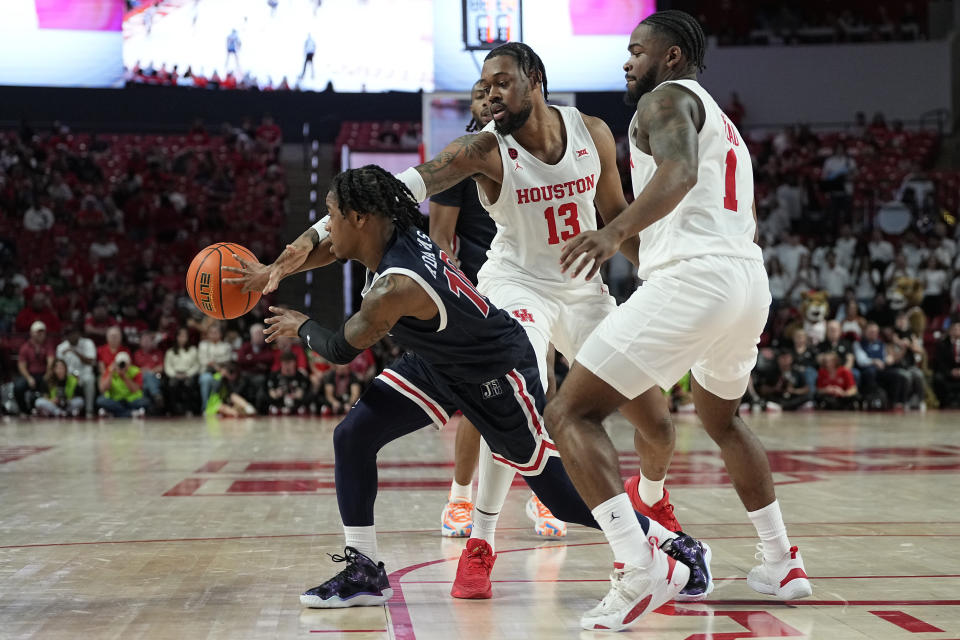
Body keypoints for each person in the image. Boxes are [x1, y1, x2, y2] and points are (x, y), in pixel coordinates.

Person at [224, 167, 710, 619]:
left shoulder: (394, 286)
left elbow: (337, 348)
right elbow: (330, 242)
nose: (328, 224)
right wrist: (278, 268)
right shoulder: (389, 230)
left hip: (496, 370)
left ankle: (672, 544)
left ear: (360, 219)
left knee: (558, 496)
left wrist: (300, 324)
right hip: (439, 361)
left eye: (333, 215)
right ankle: (366, 569)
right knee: (353, 435)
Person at [540, 11, 810, 629]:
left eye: (637, 49)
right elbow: (679, 210)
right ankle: (782, 562)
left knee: (568, 413)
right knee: (723, 420)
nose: (627, 60)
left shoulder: (664, 100)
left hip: (697, 282)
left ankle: (642, 568)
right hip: (745, 281)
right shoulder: (718, 117)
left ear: (670, 57)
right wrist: (625, 240)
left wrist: (612, 231)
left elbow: (680, 174)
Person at [428, 79, 566, 539]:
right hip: (481, 289)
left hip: (536, 286)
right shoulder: (464, 157)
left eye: (496, 90)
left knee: (540, 389)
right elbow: (441, 238)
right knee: (480, 399)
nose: (487, 99)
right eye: (477, 94)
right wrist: (454, 295)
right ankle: (460, 498)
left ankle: (544, 496)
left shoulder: (538, 152)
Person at [56, 324, 97, 417]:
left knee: (90, 380)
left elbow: (91, 361)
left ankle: (89, 410)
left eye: (73, 333)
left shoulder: (88, 343)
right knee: (60, 378)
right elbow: (59, 365)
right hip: (69, 375)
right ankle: (64, 409)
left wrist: (74, 351)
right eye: (69, 334)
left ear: (78, 334)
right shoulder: (61, 347)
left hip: (84, 374)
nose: (71, 336)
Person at [14, 321, 54, 415]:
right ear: (32, 333)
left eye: (42, 332)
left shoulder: (48, 346)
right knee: (18, 387)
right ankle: (24, 411)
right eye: (38, 332)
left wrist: (48, 374)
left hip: (44, 374)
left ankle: (50, 409)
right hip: (30, 374)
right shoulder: (25, 347)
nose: (41, 334)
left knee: (52, 384)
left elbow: (51, 361)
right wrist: (28, 378)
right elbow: (21, 365)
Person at [96, 351, 149, 418]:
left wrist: (124, 376)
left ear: (129, 363)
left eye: (124, 363)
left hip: (131, 400)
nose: (122, 366)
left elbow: (135, 389)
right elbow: (103, 389)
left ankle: (113, 413)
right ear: (115, 363)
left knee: (145, 402)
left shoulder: (136, 371)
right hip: (115, 400)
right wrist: (110, 373)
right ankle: (131, 413)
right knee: (100, 400)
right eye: (120, 363)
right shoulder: (110, 370)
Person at [164, 327, 201, 416]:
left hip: (188, 374)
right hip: (175, 374)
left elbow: (196, 365)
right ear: (176, 337)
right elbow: (167, 366)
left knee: (189, 384)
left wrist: (188, 374)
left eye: (184, 336)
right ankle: (172, 409)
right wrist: (174, 375)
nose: (182, 338)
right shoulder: (170, 351)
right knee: (172, 384)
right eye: (180, 336)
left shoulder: (193, 350)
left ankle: (189, 409)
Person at [198, 323, 234, 412]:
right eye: (211, 332)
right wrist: (217, 365)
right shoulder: (203, 345)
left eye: (216, 332)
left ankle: (219, 407)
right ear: (208, 334)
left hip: (222, 372)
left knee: (221, 378)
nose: (213, 334)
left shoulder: (226, 346)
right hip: (207, 372)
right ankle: (206, 408)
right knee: (206, 379)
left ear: (221, 334)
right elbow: (204, 361)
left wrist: (214, 363)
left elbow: (227, 360)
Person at [932, 321, 960, 407]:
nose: (956, 331)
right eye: (954, 329)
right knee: (938, 378)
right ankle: (944, 403)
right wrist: (950, 372)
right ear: (950, 331)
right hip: (947, 372)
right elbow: (939, 362)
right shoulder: (942, 344)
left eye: (958, 329)